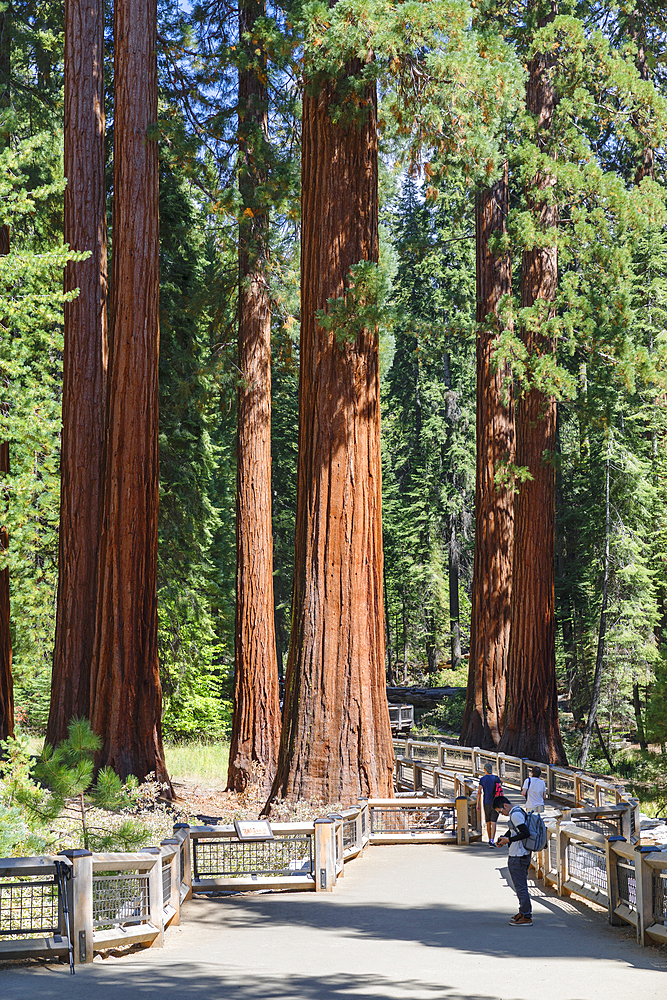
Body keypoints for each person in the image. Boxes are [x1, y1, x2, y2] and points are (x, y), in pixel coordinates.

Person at [494, 795, 533, 925]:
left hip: (518, 855)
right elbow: (513, 830)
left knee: (520, 887)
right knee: (519, 885)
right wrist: (504, 838)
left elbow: (525, 832)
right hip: (521, 854)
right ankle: (523, 911)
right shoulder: (518, 811)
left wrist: (508, 840)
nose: (502, 814)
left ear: (505, 805)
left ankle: (526, 916)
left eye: (501, 811)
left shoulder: (515, 815)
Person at [476, 762, 502, 848]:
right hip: (496, 803)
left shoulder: (482, 779)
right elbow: (500, 790)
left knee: (488, 821)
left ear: (485, 770)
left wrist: (477, 804)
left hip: (486, 802)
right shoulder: (496, 778)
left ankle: (489, 839)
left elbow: (479, 792)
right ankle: (492, 840)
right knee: (493, 822)